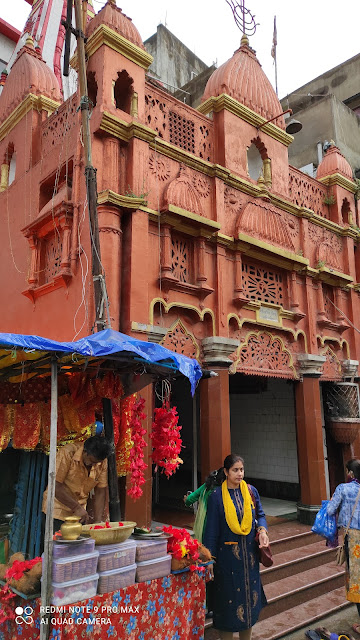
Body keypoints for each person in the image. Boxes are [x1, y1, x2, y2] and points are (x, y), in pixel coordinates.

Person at [203, 453, 269, 640]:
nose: (239, 474)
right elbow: (211, 530)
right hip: (226, 562)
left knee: (248, 605)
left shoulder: (250, 491)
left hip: (249, 559)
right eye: (235, 470)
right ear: (226, 472)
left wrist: (263, 531)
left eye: (241, 470)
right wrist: (209, 560)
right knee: (227, 606)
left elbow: (261, 515)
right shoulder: (216, 497)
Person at [42, 435, 113, 535]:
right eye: (91, 461)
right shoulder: (67, 453)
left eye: (96, 463)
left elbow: (100, 490)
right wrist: (76, 508)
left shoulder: (101, 461)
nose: (93, 465)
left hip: (80, 514)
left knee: (79, 547)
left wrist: (97, 521)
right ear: (84, 451)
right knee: (58, 547)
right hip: (57, 510)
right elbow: (55, 486)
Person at [326, 459, 360, 636]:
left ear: (350, 473)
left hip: (353, 539)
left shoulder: (343, 489)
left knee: (357, 581)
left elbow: (330, 510)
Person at [183, 468, 222, 542]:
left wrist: (187, 498)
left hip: (204, 526)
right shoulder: (225, 490)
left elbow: (189, 500)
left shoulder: (207, 486)